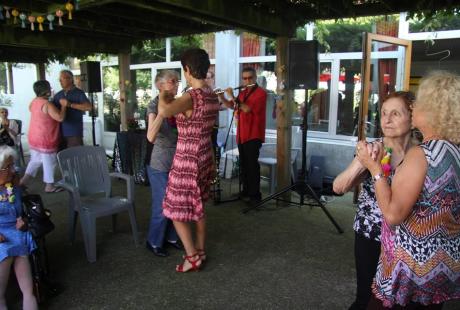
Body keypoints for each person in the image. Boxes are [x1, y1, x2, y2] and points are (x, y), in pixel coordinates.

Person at [357, 71, 460, 309]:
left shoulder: (422, 154)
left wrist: (375, 168)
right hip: (440, 269)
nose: (413, 108)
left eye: (419, 103)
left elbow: (393, 215)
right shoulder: (454, 153)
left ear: (434, 110)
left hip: (409, 272)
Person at [333, 91, 416, 310]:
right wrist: (365, 163)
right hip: (371, 234)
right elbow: (338, 187)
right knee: (367, 297)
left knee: (403, 300)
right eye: (384, 113)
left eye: (395, 113)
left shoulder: (421, 154)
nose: (386, 120)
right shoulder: (374, 148)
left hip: (408, 238)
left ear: (412, 116)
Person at [150, 48, 219, 272]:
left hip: (187, 159)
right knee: (198, 207)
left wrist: (162, 94)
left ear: (187, 69)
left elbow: (165, 111)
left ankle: (191, 257)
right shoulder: (210, 95)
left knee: (173, 208)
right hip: (205, 154)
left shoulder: (191, 97)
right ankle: (200, 250)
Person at [145, 70, 181, 257]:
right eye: (171, 82)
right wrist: (161, 112)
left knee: (175, 202)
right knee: (161, 204)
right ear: (160, 86)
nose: (176, 85)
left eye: (177, 81)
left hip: (176, 160)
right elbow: (150, 136)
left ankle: (172, 237)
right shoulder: (153, 106)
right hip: (159, 163)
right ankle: (153, 241)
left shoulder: (177, 103)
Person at [218, 67, 267, 203]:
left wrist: (232, 96)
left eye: (250, 78)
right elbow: (234, 106)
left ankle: (255, 196)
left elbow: (246, 108)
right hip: (242, 134)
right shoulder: (243, 93)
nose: (247, 80)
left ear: (255, 77)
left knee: (252, 166)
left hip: (254, 134)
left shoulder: (261, 93)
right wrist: (222, 96)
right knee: (244, 165)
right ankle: (246, 191)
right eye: (244, 78)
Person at [0, 145, 38, 310]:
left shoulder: (14, 188)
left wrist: (22, 220)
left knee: (28, 291)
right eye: (8, 167)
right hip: (1, 238)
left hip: (16, 233)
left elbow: (20, 212)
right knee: (6, 253)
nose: (13, 170)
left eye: (12, 165)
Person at [20, 80, 67, 193]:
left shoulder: (34, 102)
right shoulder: (47, 104)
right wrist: (64, 106)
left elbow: (32, 109)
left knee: (35, 160)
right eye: (49, 88)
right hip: (45, 138)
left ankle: (22, 182)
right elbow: (60, 118)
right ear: (46, 91)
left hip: (34, 136)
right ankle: (49, 186)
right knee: (49, 162)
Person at [53, 70, 91, 148]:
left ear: (70, 79)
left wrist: (70, 104)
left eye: (62, 79)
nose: (60, 81)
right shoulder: (58, 95)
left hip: (74, 133)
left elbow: (89, 107)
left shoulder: (79, 93)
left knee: (75, 157)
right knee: (61, 158)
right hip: (59, 133)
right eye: (59, 79)